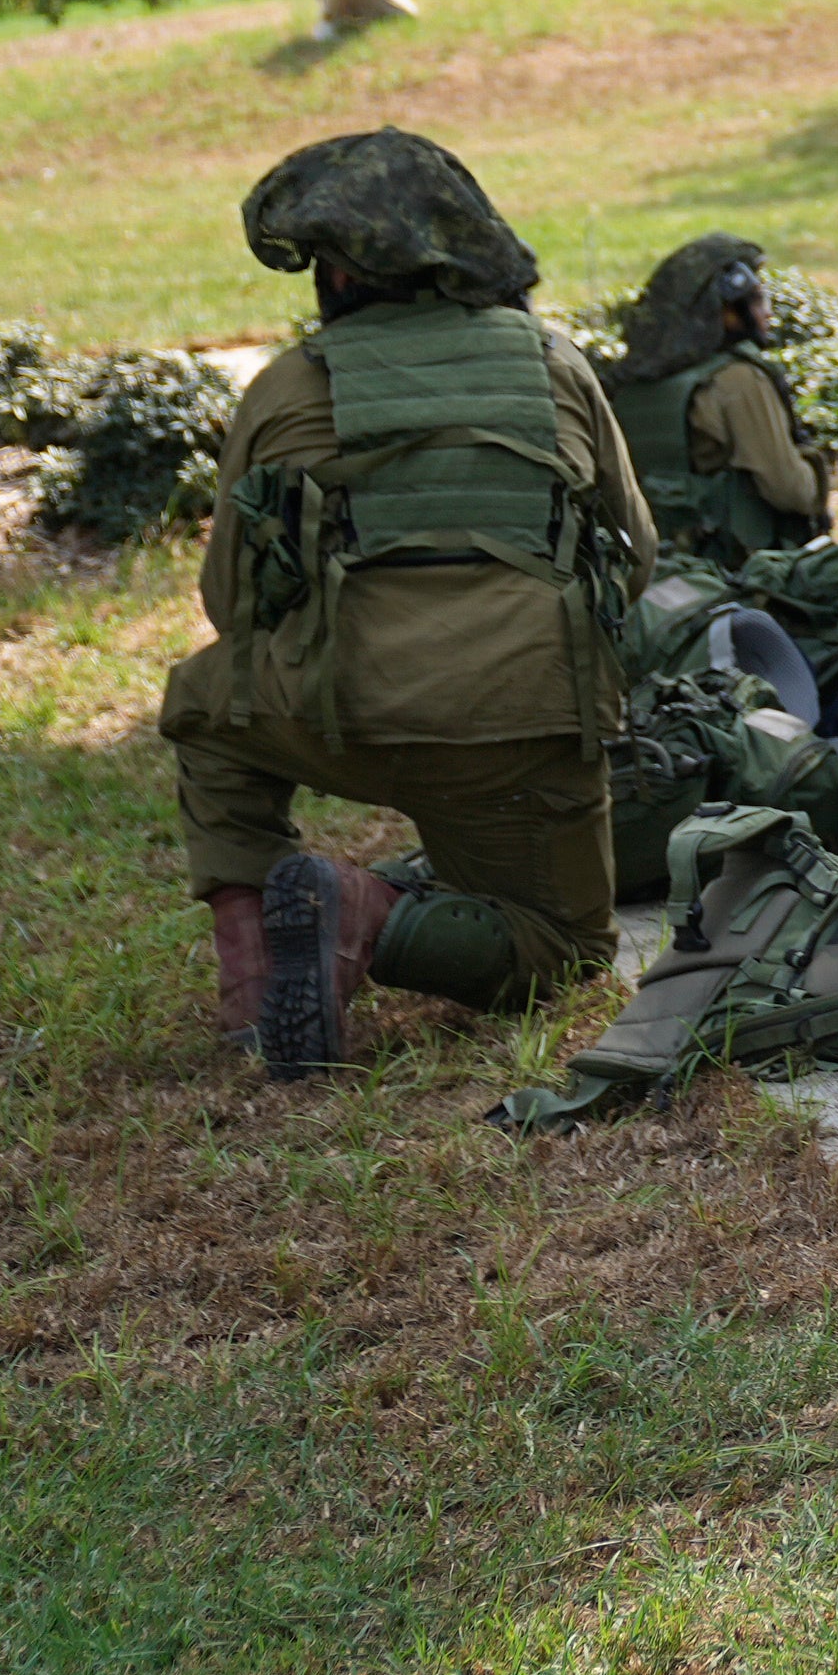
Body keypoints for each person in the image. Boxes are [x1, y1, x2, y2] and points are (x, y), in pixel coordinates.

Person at [164, 129, 655, 1075]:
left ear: (341, 276)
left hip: (333, 712)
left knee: (205, 705)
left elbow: (230, 602)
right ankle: (367, 914)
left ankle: (254, 985)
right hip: (523, 724)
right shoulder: (554, 366)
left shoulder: (287, 387)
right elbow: (632, 557)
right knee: (562, 953)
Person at [606, 233, 831, 568]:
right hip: (737, 577)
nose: (767, 313)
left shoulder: (629, 383)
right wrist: (814, 465)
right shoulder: (738, 381)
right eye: (755, 300)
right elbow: (789, 490)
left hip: (651, 573)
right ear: (723, 310)